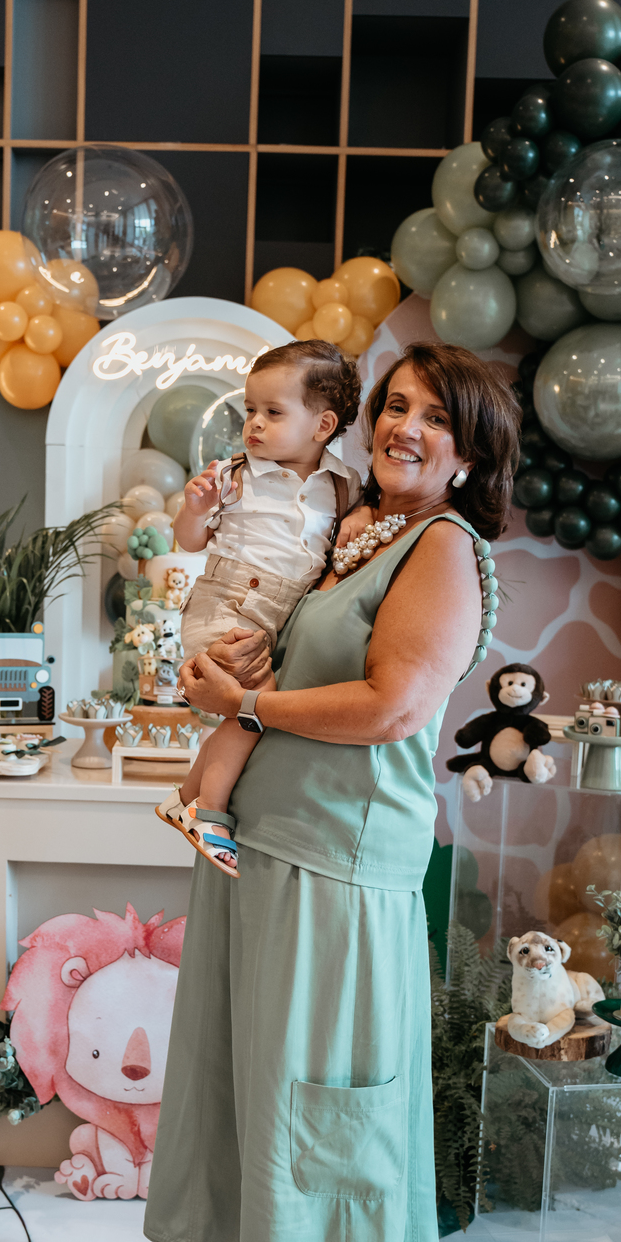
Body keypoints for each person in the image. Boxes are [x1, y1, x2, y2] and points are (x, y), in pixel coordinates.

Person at [143, 342, 517, 1242]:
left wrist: (248, 712)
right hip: (269, 839)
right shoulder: (353, 524)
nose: (406, 427)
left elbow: (393, 706)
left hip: (343, 858)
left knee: (331, 1096)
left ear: (469, 453)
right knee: (266, 1081)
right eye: (396, 405)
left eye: (436, 418)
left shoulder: (443, 547)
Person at [156, 339, 373, 877]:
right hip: (227, 602)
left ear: (323, 426)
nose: (254, 423)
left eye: (273, 412)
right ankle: (208, 812)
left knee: (249, 710)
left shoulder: (343, 484)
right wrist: (195, 509)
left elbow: (351, 527)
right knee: (253, 709)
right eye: (250, 409)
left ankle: (183, 798)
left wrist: (360, 515)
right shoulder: (235, 475)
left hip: (280, 616)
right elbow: (190, 541)